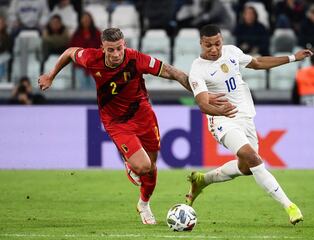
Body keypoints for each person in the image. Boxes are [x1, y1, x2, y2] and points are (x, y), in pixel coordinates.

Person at [38, 27, 232, 225]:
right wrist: (51, 75)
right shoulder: (90, 58)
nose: (116, 54)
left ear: (125, 45)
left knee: (151, 167)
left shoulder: (136, 59)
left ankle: (143, 204)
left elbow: (173, 72)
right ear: (102, 48)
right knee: (143, 166)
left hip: (143, 115)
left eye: (119, 48)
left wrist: (201, 94)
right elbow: (70, 52)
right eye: (111, 50)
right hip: (116, 121)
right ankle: (131, 164)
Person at [186, 24, 312, 225]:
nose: (214, 49)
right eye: (208, 45)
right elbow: (202, 104)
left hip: (245, 117)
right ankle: (290, 206)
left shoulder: (232, 52)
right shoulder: (197, 68)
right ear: (201, 43)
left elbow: (258, 62)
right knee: (253, 158)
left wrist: (292, 58)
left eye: (217, 44)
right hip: (222, 121)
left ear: (222, 41)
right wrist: (220, 111)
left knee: (245, 168)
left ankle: (202, 180)